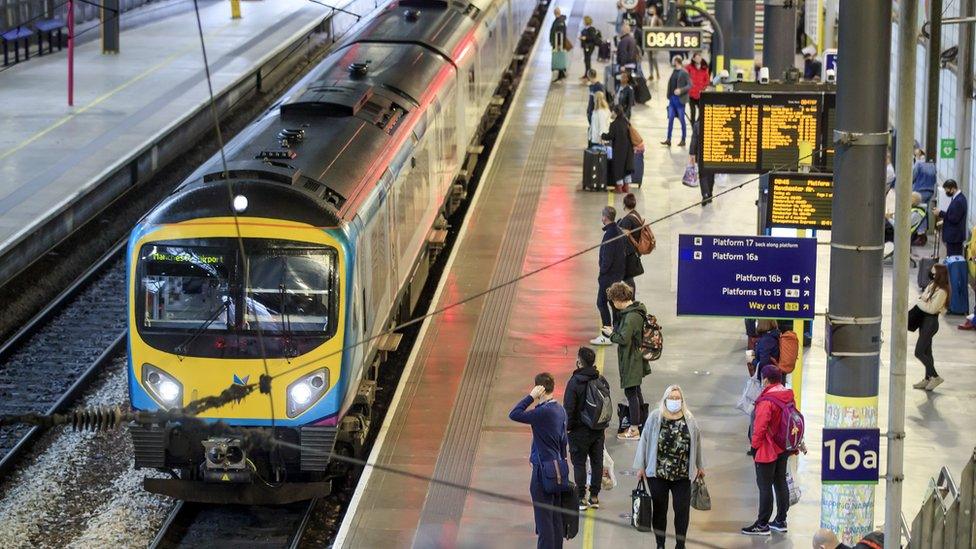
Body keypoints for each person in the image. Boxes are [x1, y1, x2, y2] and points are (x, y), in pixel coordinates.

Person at [634, 385, 705, 549]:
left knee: (682, 511)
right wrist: (641, 466)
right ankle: (660, 544)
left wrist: (699, 465)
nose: (674, 401)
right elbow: (644, 441)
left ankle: (680, 544)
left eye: (677, 398)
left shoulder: (689, 419)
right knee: (660, 511)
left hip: (681, 475)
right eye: (671, 398)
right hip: (658, 474)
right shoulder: (655, 417)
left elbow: (697, 442)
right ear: (665, 400)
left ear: (682, 400)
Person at [509, 372, 569, 549]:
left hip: (542, 472)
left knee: (544, 521)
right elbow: (562, 441)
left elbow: (514, 414)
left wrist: (530, 397)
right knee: (555, 517)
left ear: (539, 389)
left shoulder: (542, 412)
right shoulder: (560, 409)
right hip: (559, 469)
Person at [742, 365, 796, 536]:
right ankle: (781, 520)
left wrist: (754, 446)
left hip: (767, 450)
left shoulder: (767, 401)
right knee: (780, 483)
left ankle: (762, 524)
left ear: (765, 379)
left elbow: (760, 427)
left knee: (765, 487)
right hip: (783, 447)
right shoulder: (787, 395)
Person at [601, 281, 650, 441]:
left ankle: (634, 428)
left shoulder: (630, 317)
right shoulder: (635, 312)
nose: (613, 305)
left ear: (619, 299)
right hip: (634, 357)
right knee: (636, 391)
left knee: (631, 393)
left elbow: (623, 338)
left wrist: (611, 334)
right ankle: (641, 423)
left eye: (614, 301)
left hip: (631, 359)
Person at [563, 347, 608, 510]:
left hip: (579, 430)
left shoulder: (574, 382)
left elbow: (569, 408)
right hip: (597, 429)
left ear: (579, 362)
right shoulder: (600, 379)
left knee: (579, 463)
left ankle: (581, 497)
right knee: (597, 462)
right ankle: (595, 496)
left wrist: (567, 428)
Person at [592, 206, 628, 345]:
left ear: (605, 217)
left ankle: (606, 334)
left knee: (601, 303)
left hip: (608, 276)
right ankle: (616, 330)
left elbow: (607, 258)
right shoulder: (618, 231)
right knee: (613, 304)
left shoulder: (610, 234)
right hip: (617, 275)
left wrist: (602, 272)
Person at [913, 263, 948, 391]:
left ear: (939, 275)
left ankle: (935, 376)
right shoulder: (932, 285)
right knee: (928, 352)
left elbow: (932, 309)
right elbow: (924, 298)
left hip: (931, 323)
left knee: (919, 352)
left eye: (934, 272)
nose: (931, 274)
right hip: (924, 321)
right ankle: (928, 378)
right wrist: (923, 300)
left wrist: (920, 301)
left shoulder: (943, 291)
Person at [617, 192, 645, 295]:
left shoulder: (627, 220)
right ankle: (630, 299)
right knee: (628, 278)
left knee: (627, 279)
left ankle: (630, 300)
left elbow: (622, 239)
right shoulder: (636, 215)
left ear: (624, 205)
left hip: (629, 253)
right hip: (634, 252)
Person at [603, 106, 636, 193]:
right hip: (629, 149)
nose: (611, 114)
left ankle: (619, 188)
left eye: (612, 112)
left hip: (619, 150)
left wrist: (602, 135)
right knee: (626, 167)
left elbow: (610, 136)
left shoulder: (614, 124)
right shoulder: (626, 121)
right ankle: (626, 187)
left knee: (618, 168)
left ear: (616, 113)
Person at [934, 179, 968, 257]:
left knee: (953, 260)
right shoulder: (958, 198)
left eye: (947, 190)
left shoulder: (959, 201)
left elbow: (954, 218)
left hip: (955, 237)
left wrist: (940, 213)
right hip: (954, 236)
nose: (946, 192)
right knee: (952, 259)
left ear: (953, 189)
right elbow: (954, 215)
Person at [662, 55, 691, 147]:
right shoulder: (674, 71)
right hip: (672, 99)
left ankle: (683, 139)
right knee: (670, 119)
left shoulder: (684, 72)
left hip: (680, 100)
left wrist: (680, 90)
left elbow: (689, 85)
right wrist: (669, 95)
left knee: (682, 119)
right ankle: (668, 139)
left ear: (676, 62)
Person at [686, 52, 710, 126]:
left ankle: (697, 124)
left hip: (700, 95)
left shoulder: (704, 68)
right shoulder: (689, 67)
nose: (698, 59)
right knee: (692, 112)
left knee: (701, 111)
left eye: (699, 58)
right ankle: (693, 126)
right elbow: (684, 76)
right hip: (691, 94)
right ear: (693, 59)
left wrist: (704, 88)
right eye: (696, 58)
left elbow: (707, 80)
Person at [550, 7, 568, 82]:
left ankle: (560, 75)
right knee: (559, 58)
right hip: (557, 43)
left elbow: (560, 34)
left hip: (558, 44)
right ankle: (561, 74)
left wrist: (558, 45)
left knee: (559, 58)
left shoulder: (560, 22)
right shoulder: (559, 20)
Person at [645, 5, 663, 81]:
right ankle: (651, 74)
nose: (651, 10)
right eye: (650, 9)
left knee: (654, 58)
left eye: (652, 9)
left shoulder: (658, 19)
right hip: (648, 42)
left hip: (655, 41)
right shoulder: (646, 19)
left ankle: (657, 73)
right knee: (649, 59)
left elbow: (661, 29)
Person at [579, 16, 600, 80]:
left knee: (587, 60)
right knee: (586, 60)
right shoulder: (586, 28)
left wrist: (585, 38)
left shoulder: (591, 29)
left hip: (589, 46)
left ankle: (588, 75)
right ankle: (586, 74)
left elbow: (592, 38)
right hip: (586, 46)